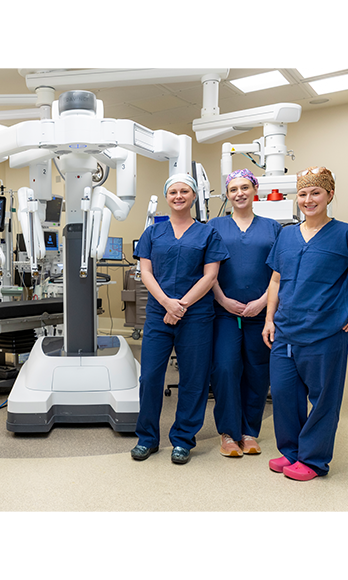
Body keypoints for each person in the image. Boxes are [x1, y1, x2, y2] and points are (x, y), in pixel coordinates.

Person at [262, 166, 348, 481]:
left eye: (315, 192)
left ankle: (314, 460)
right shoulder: (286, 234)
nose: (308, 199)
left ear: (330, 195)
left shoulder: (346, 234)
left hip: (325, 333)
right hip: (286, 331)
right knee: (286, 396)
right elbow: (276, 279)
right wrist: (269, 318)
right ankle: (291, 453)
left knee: (323, 400)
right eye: (302, 194)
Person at [131, 174, 229, 465]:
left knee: (193, 379)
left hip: (196, 315)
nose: (178, 196)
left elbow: (210, 275)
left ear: (194, 196)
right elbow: (145, 273)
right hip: (159, 314)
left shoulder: (208, 233)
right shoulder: (152, 233)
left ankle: (183, 439)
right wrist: (167, 303)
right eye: (172, 191)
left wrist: (182, 304)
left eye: (184, 191)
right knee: (149, 377)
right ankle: (147, 438)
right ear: (166, 196)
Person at [208, 169, 282, 458]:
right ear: (227, 195)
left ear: (255, 191)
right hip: (225, 312)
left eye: (245, 187)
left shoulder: (272, 228)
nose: (239, 193)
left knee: (257, 371)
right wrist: (224, 300)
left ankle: (249, 431)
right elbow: (207, 269)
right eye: (233, 189)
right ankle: (228, 432)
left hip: (261, 313)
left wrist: (264, 303)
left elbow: (279, 271)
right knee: (225, 369)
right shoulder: (214, 227)